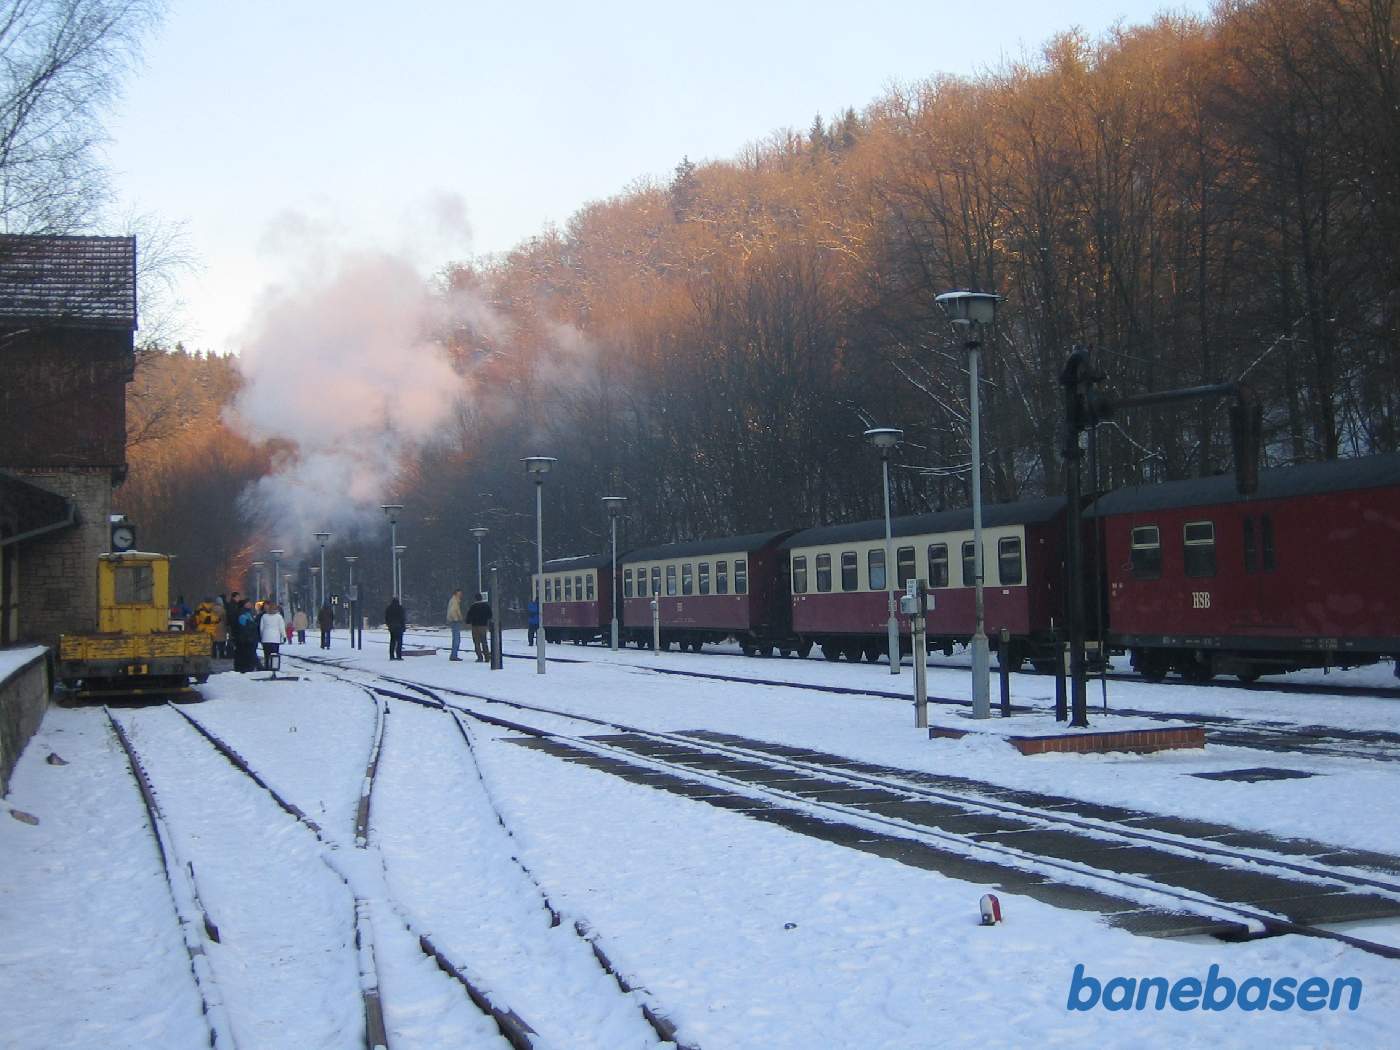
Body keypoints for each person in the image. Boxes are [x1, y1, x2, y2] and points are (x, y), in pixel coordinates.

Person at [466, 592, 493, 662]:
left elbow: (469, 617)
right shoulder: (486, 606)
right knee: (484, 641)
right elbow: (490, 615)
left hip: (475, 626)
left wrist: (468, 622)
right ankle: (487, 657)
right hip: (483, 626)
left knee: (476, 642)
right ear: (481, 598)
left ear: (475, 599)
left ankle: (479, 657)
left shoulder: (473, 607)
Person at [260, 601, 287, 670]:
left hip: (265, 639)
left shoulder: (264, 616)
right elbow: (281, 628)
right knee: (274, 655)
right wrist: (284, 636)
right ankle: (274, 668)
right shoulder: (279, 617)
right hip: (275, 639)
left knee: (266, 655)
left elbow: (261, 628)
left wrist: (262, 636)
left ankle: (267, 667)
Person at [234, 599, 260, 673]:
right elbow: (244, 625)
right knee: (250, 653)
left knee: (250, 653)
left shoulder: (247, 612)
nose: (250, 604)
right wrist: (253, 625)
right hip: (247, 638)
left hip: (249, 637)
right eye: (248, 603)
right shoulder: (242, 613)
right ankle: (256, 667)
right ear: (244, 605)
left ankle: (253, 666)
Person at [446, 589, 464, 661]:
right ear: (456, 593)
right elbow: (453, 611)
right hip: (455, 621)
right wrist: (457, 618)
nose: (461, 595)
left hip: (454, 621)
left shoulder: (454, 600)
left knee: (456, 638)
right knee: (456, 639)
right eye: (459, 593)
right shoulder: (454, 601)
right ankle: (454, 655)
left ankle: (454, 654)